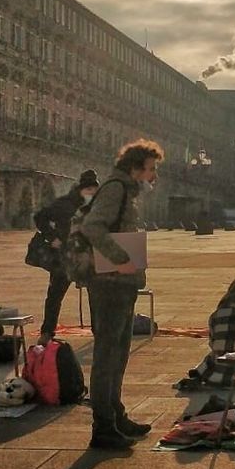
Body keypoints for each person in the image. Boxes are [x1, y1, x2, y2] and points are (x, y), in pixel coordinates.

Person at [81, 138, 163, 450]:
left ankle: (115, 414)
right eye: (151, 168)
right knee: (107, 355)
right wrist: (121, 259)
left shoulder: (128, 191)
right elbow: (93, 228)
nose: (154, 175)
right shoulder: (115, 188)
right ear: (136, 166)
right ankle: (103, 426)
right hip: (109, 284)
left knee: (120, 352)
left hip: (122, 284)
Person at [33, 169, 100, 342]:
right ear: (80, 189)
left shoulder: (97, 207)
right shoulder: (65, 204)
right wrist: (52, 237)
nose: (91, 194)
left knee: (96, 295)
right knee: (55, 294)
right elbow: (40, 217)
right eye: (88, 190)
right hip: (65, 256)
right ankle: (47, 331)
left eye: (94, 190)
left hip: (88, 256)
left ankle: (98, 329)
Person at [177, 277, 235, 391]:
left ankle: (200, 372)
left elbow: (213, 344)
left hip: (217, 375)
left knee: (212, 355)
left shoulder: (216, 315)